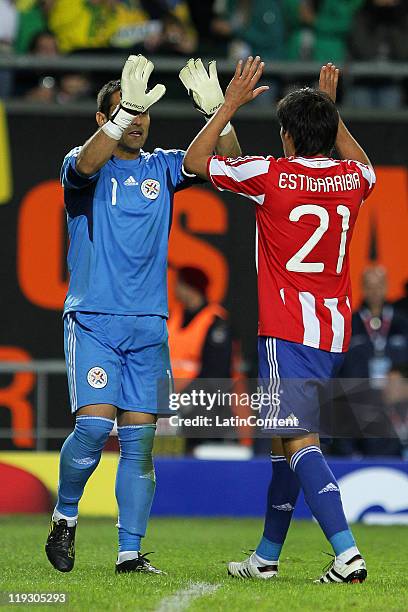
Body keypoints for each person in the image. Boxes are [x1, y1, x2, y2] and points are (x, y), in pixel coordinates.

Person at [45, 54, 241, 575]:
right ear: (104, 118)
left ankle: (129, 554)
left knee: (140, 443)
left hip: (148, 327)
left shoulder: (162, 167)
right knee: (93, 428)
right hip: (94, 321)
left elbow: (230, 166)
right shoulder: (81, 169)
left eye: (142, 112)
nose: (138, 121)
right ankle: (65, 518)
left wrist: (218, 113)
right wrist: (120, 112)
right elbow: (86, 164)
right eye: (127, 112)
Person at [184, 58, 376, 583]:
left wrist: (225, 107)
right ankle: (266, 557)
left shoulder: (270, 175)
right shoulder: (353, 178)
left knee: (297, 442)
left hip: (288, 329)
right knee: (282, 442)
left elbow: (199, 161)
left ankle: (347, 554)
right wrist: (332, 113)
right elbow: (364, 165)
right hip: (333, 329)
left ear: (287, 137)